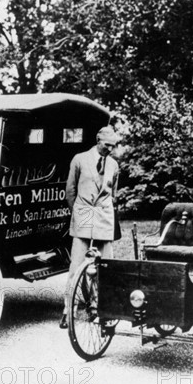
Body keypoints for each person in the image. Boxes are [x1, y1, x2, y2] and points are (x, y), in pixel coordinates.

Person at [60, 126, 120, 329]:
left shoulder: (113, 165)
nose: (110, 150)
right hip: (84, 213)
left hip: (104, 216)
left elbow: (113, 194)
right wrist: (78, 212)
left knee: (106, 266)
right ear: (97, 140)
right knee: (76, 265)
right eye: (107, 145)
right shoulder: (79, 159)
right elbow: (70, 190)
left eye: (113, 146)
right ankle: (68, 310)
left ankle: (99, 308)